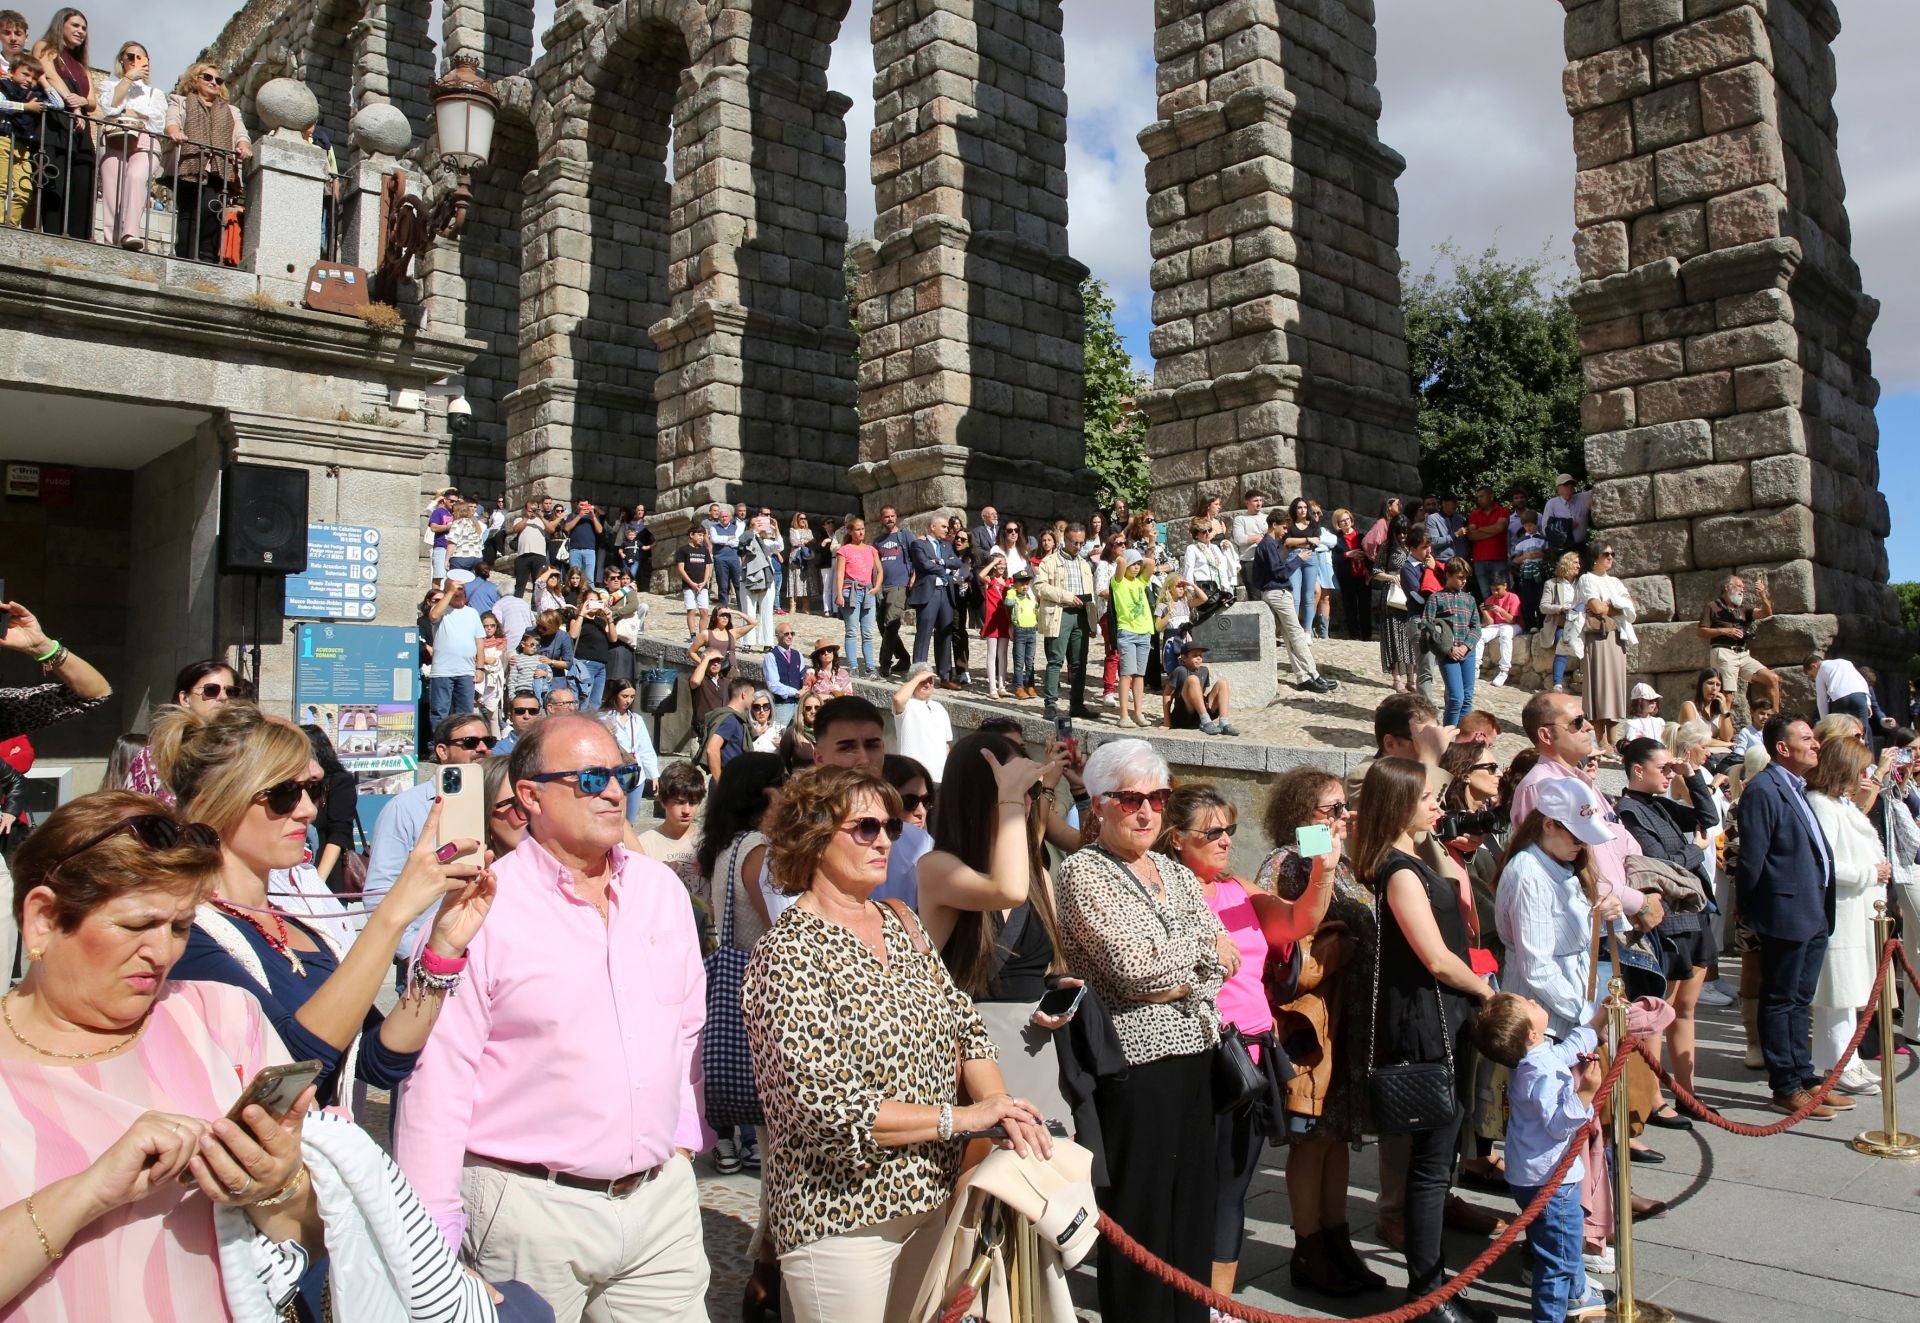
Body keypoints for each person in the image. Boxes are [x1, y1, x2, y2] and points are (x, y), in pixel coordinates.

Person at [396, 716, 711, 1320]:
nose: (616, 792)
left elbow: (687, 1027)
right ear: (531, 797)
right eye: (592, 778)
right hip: (527, 1207)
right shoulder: (479, 908)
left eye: (623, 775)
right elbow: (437, 1078)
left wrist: (683, 1142)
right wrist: (430, 1234)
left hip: (658, 1202)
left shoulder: (659, 891)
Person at [0, 793, 335, 1321]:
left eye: (180, 927)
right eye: (136, 926)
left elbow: (312, 1237)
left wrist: (279, 1185)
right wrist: (86, 1194)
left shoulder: (221, 1015)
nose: (163, 953)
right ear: (43, 918)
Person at [741, 767, 1049, 1323]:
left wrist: (999, 1111)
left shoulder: (902, 921)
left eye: (891, 828)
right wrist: (964, 1118)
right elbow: (828, 1109)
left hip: (930, 1202)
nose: (885, 839)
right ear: (813, 834)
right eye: (864, 828)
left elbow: (964, 1026)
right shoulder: (786, 953)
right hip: (839, 1215)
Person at [156, 704, 494, 1121]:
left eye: (311, 791)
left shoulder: (298, 923)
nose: (308, 810)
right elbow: (293, 1066)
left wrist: (442, 949)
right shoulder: (183, 931)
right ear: (216, 802)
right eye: (283, 794)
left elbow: (378, 1061)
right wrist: (394, 912)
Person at [1054, 739, 1229, 1323]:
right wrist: (1196, 957)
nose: (1147, 811)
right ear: (1100, 804)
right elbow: (1132, 969)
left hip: (1197, 1052)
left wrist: (1181, 969)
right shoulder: (1083, 873)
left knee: (1192, 1211)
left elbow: (1220, 962)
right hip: (1134, 1064)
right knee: (1143, 1214)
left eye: (1157, 797)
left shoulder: (1176, 874)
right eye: (1132, 799)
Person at [1162, 783, 1322, 1303]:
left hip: (1252, 1052)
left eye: (1230, 829)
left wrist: (1326, 858)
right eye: (1212, 832)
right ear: (1176, 840)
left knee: (1233, 1184)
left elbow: (1300, 921)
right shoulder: (1162, 892)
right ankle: (1176, 1290)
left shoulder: (1240, 890)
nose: (1227, 839)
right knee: (1190, 1183)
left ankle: (1220, 1304)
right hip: (1197, 1051)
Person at [1351, 757, 1495, 1322]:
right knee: (1431, 1165)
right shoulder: (1400, 871)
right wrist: (1487, 993)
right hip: (1426, 1022)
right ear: (1401, 803)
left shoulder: (1413, 857)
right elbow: (1435, 958)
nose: (1439, 804)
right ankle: (1427, 1293)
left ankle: (1433, 1287)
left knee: (1436, 1161)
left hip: (1440, 1018)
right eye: (1428, 797)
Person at [1254, 770, 1386, 1296]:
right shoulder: (1295, 861)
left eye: (1343, 807)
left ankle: (1336, 1241)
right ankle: (1309, 1246)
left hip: (1344, 1018)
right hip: (1312, 1021)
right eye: (1332, 808)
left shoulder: (1335, 859)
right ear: (1303, 812)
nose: (1343, 816)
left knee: (1335, 1139)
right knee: (1311, 1141)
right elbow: (1290, 940)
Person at [916, 729, 1074, 1125]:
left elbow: (1053, 966)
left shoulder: (1038, 874)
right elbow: (1006, 889)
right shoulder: (937, 868)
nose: (1026, 800)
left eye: (1030, 790)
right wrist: (1010, 798)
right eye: (1013, 788)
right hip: (970, 1061)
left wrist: (1061, 996)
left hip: (1037, 1052)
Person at [1470, 995, 1612, 1323]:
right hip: (1550, 1181)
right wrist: (1587, 1093)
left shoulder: (1536, 1057)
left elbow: (1566, 1050)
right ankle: (1551, 1315)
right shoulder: (1541, 1072)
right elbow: (1558, 1125)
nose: (1533, 1000)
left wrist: (1598, 1019)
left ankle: (1578, 1293)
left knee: (1560, 1241)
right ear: (1532, 1035)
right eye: (1529, 1004)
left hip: (1535, 1175)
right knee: (1557, 1259)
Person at [1735, 713, 1843, 1118]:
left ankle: (1805, 1076)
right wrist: (1750, 908)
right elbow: (1753, 858)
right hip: (1785, 910)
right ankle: (1785, 1084)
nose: (1816, 744)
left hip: (1812, 909)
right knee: (1780, 998)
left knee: (1800, 998)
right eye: (1807, 738)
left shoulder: (1796, 788)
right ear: (1783, 747)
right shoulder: (1764, 789)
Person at [1615, 738, 1720, 1104]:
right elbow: (1663, 862)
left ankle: (1687, 1092)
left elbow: (1709, 818)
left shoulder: (1660, 804)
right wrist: (1698, 850)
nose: (1668, 774)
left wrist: (1691, 776)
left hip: (1693, 913)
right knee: (1661, 1010)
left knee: (1687, 1009)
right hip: (1669, 920)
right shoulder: (1628, 810)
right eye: (1664, 768)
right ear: (1637, 770)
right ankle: (1654, 1097)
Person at [1804, 736, 1892, 1097]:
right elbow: (1827, 863)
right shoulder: (1823, 804)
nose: (1864, 775)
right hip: (1843, 913)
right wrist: (1870, 873)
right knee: (1838, 991)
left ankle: (1846, 1059)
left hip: (1858, 913)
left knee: (1847, 990)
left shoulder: (1839, 803)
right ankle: (1840, 1063)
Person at [120, 658, 235, 802]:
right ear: (185, 699)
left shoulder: (248, 749)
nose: (224, 697)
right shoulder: (154, 757)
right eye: (211, 690)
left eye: (231, 692)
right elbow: (133, 813)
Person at [1250, 513, 1337, 693]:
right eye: (1283, 527)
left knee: (1290, 637)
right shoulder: (1267, 545)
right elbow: (1279, 573)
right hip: (1277, 593)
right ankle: (1314, 675)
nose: (1285, 532)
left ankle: (1303, 677)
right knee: (1296, 634)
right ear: (1274, 525)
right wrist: (1299, 560)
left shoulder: (1269, 545)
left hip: (1274, 592)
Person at [30, 9, 95, 242]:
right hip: (55, 124)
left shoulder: (82, 65)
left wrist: (83, 102)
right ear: (61, 25)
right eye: (76, 26)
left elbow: (93, 100)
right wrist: (75, 106)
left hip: (80, 130)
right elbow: (51, 76)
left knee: (81, 184)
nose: (81, 32)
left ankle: (78, 240)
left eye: (84, 28)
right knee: (53, 184)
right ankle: (51, 238)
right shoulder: (45, 47)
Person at [98, 41, 165, 249]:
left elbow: (157, 123)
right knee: (112, 190)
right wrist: (127, 80)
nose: (135, 61)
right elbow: (109, 107)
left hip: (145, 141)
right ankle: (111, 240)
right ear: (122, 60)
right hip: (114, 139)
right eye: (130, 57)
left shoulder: (155, 93)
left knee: (136, 177)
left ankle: (129, 234)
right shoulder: (109, 86)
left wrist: (133, 113)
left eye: (141, 57)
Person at [1574, 545, 1636, 750]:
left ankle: (1613, 738)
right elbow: (1597, 607)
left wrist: (1611, 606)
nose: (1610, 557)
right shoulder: (1586, 579)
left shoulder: (1615, 581)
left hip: (1616, 636)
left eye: (1612, 554)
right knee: (1599, 686)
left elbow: (1630, 605)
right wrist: (1617, 606)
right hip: (1598, 636)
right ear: (1595, 557)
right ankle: (1599, 738)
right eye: (1606, 554)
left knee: (1616, 686)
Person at [1034, 522, 1098, 719]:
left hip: (1080, 615)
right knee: (1055, 660)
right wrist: (1066, 596)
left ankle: (1077, 704)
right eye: (1074, 542)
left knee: (1079, 662)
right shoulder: (1049, 561)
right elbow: (1039, 587)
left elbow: (1091, 593)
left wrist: (1092, 621)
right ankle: (1050, 705)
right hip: (1060, 613)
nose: (1078, 547)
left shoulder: (1084, 564)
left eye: (1081, 543)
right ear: (1065, 539)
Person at [1697, 573, 1779, 720]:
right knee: (1727, 696)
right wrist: (1725, 631)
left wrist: (1762, 594)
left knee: (1772, 678)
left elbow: (1767, 613)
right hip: (1724, 652)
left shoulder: (1742, 610)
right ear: (1727, 588)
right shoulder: (1712, 606)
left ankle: (1777, 719)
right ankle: (1724, 731)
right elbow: (1701, 631)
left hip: (1743, 654)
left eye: (1743, 587)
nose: (1743, 589)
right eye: (1739, 586)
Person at [425, 570, 487, 732]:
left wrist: (480, 668)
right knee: (440, 712)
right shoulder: (441, 611)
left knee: (465, 714)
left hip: (466, 671)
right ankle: (438, 746)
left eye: (461, 589)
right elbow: (433, 617)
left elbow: (480, 642)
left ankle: (462, 745)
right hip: (442, 671)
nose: (458, 591)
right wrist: (450, 590)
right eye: (455, 588)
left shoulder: (472, 613)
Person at [906, 516, 964, 685]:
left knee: (945, 634)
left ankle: (945, 675)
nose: (947, 529)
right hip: (928, 593)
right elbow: (924, 565)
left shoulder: (947, 545)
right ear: (933, 527)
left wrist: (939, 562)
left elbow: (958, 562)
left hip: (946, 593)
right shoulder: (919, 544)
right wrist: (945, 568)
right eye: (944, 527)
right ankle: (918, 675)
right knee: (924, 633)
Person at [302, 722, 359, 892]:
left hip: (327, 875)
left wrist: (318, 881)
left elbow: (339, 834)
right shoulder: (295, 783)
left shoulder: (339, 781)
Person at [1426, 557, 1482, 726]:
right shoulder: (1436, 599)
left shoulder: (1469, 600)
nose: (1463, 581)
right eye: (1459, 577)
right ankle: (1448, 737)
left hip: (1467, 654)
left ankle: (1462, 738)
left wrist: (1466, 646)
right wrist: (1448, 648)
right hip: (1448, 655)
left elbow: (1476, 627)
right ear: (1448, 575)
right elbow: (1428, 626)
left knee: (1467, 699)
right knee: (1456, 698)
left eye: (1465, 578)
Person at [600, 678, 661, 825]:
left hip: (634, 773)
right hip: (613, 772)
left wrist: (654, 775)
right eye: (624, 696)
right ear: (615, 695)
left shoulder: (636, 720)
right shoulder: (602, 718)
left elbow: (645, 748)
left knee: (630, 821)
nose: (628, 701)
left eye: (632, 697)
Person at [831, 514, 880, 678]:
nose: (861, 532)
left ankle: (870, 668)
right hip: (850, 592)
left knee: (868, 633)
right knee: (851, 631)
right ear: (850, 532)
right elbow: (839, 575)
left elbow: (880, 570)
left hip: (867, 592)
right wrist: (839, 594)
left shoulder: (871, 550)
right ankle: (853, 666)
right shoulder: (844, 550)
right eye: (857, 530)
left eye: (863, 529)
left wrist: (877, 587)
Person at [890, 665, 953, 780]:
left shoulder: (940, 708)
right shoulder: (907, 705)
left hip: (939, 778)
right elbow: (898, 699)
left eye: (930, 681)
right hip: (912, 777)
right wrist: (918, 677)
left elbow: (946, 745)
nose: (927, 684)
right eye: (923, 681)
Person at [1169, 638, 1240, 737]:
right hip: (1185, 716)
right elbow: (1167, 695)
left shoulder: (1204, 670)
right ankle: (1205, 720)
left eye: (1200, 656)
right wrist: (1167, 722)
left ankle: (1224, 722)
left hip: (1200, 715)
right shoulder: (1179, 670)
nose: (1199, 658)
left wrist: (1208, 700)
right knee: (1193, 679)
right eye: (1194, 655)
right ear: (1184, 657)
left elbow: (1201, 692)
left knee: (1222, 683)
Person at [704, 677, 756, 781]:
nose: (753, 699)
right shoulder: (730, 720)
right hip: (729, 779)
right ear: (744, 694)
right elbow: (712, 749)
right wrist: (720, 783)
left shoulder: (734, 718)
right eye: (752, 695)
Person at [1463, 487, 1510, 599]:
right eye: (1477, 497)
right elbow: (1471, 535)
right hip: (1480, 560)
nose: (1479, 499)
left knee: (1502, 593)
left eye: (1481, 496)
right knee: (1486, 594)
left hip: (1498, 558)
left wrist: (1479, 528)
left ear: (1491, 496)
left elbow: (1500, 528)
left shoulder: (1503, 511)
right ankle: (1490, 616)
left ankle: (1503, 616)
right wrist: (1493, 530)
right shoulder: (1474, 514)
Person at [1476, 574, 1521, 688]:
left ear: (1505, 586)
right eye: (1492, 590)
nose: (1495, 593)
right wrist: (1484, 612)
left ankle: (1504, 671)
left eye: (1497, 589)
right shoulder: (1490, 599)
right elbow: (1490, 623)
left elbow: (1512, 620)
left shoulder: (1513, 597)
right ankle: (1475, 667)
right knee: (1479, 634)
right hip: (1497, 626)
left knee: (1505, 635)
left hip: (1514, 625)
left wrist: (1501, 610)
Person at [1806, 653, 1873, 727]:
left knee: (1842, 731)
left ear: (1814, 666)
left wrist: (1825, 721)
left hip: (1840, 699)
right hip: (1859, 696)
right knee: (1862, 728)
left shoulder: (1820, 671)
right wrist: (1867, 702)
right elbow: (1861, 681)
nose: (1814, 678)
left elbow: (1822, 699)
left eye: (1812, 676)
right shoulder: (1844, 662)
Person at [1541, 473, 1591, 566]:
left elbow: (1599, 488)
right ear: (1558, 488)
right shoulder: (1552, 504)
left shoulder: (1583, 498)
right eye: (1565, 484)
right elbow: (1545, 529)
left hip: (1581, 548)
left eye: (1571, 484)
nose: (1569, 487)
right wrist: (1567, 526)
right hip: (1563, 551)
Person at [1006, 568, 1040, 700]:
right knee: (1019, 662)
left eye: (1027, 584)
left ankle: (1030, 685)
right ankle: (1019, 687)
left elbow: (1036, 611)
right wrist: (1012, 590)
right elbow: (1008, 603)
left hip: (1031, 631)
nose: (1025, 586)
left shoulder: (1030, 597)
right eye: (1022, 584)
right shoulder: (1013, 594)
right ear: (1016, 584)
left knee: (1030, 661)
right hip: (1020, 631)